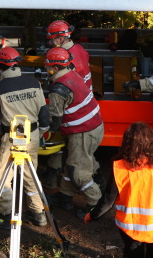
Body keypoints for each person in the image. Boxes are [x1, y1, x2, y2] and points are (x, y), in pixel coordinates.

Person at [0, 47, 50, 229]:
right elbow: (44, 113)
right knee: (31, 175)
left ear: (0, 65)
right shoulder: (34, 83)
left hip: (11, 136)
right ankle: (39, 215)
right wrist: (41, 131)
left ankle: (7, 213)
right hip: (33, 134)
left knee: (1, 176)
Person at [84, 122, 153, 258]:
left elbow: (107, 201)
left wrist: (92, 216)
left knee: (132, 253)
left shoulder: (119, 167)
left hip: (130, 227)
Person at [44, 47, 104, 219]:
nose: (45, 67)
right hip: (93, 127)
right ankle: (65, 196)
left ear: (55, 68)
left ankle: (96, 203)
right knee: (72, 163)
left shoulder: (58, 89)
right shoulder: (71, 74)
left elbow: (54, 122)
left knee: (77, 171)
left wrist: (40, 128)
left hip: (82, 132)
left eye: (47, 65)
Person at [42, 20, 98, 190]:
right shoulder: (78, 49)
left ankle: (53, 179)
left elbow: (65, 83)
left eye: (52, 40)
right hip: (83, 102)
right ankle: (60, 187)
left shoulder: (66, 59)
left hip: (74, 108)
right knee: (75, 154)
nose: (50, 43)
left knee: (70, 153)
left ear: (60, 38)